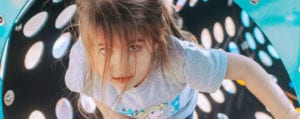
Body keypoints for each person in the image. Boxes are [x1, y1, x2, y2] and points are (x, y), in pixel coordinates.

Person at [65, 0, 300, 118]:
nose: (119, 66)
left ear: (157, 39)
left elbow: (246, 69)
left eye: (134, 48)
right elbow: (99, 95)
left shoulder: (181, 60)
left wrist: (288, 115)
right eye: (105, 50)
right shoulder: (84, 64)